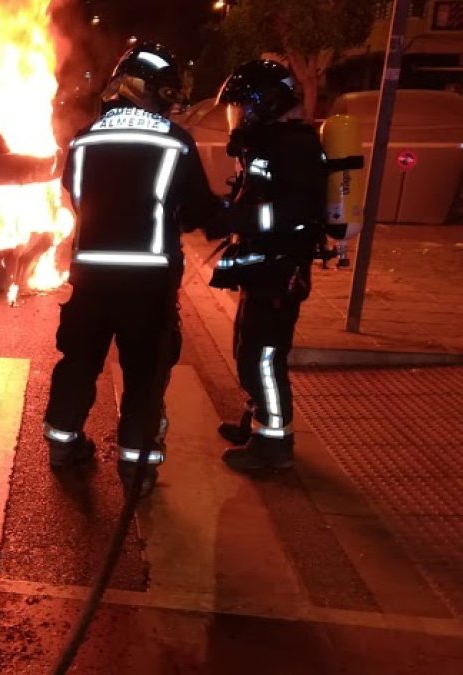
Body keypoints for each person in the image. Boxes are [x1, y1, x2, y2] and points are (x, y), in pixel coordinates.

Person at [44, 42, 223, 495]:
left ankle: (63, 445)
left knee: (79, 361)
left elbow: (75, 196)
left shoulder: (82, 140)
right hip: (148, 285)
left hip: (90, 278)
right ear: (148, 89)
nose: (170, 101)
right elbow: (201, 211)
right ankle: (135, 467)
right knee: (145, 373)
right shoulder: (173, 141)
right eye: (166, 91)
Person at [211, 60, 329, 472]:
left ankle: (274, 443)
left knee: (263, 356)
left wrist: (236, 219)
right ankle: (256, 419)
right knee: (247, 347)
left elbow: (297, 211)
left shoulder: (293, 146)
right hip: (262, 268)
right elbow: (254, 197)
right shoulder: (269, 143)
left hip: (280, 270)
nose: (237, 116)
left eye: (242, 106)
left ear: (266, 104)